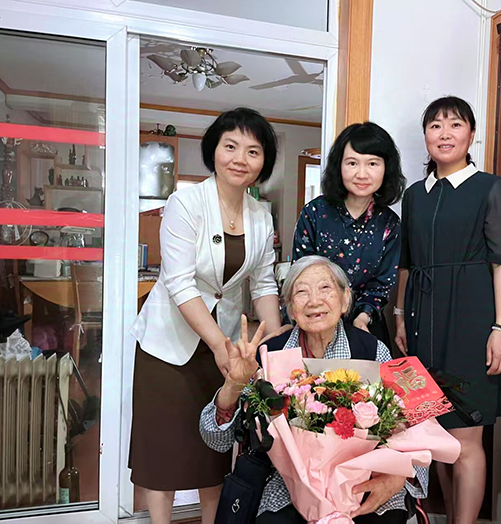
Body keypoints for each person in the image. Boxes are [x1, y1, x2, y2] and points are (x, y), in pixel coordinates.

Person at [129, 108, 283, 524]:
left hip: (225, 346)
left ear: (264, 162)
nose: (240, 159)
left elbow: (263, 284)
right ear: (213, 150)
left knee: (213, 450)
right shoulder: (185, 202)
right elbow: (179, 282)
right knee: (163, 450)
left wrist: (273, 343)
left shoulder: (260, 215)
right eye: (230, 146)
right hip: (169, 344)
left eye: (253, 151)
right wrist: (218, 344)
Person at [200, 256, 428, 524]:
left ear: (345, 300)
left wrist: (397, 476)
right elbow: (217, 440)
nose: (314, 300)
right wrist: (233, 384)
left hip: (365, 478)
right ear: (290, 308)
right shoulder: (269, 355)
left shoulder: (373, 349)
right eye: (301, 292)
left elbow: (419, 424)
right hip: (289, 482)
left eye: (325, 288)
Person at [393, 96, 501, 524]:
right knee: (434, 436)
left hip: (471, 323)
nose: (444, 134)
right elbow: (406, 264)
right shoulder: (414, 195)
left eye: (455, 124)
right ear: (425, 136)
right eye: (435, 126)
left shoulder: (490, 188)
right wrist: (399, 316)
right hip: (421, 325)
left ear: (472, 134)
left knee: (465, 442)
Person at [292, 122, 405, 346]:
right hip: (315, 323)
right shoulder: (315, 213)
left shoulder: (390, 224)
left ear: (386, 168)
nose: (362, 174)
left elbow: (381, 286)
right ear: (339, 166)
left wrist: (362, 317)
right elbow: (300, 275)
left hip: (364, 326)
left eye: (372, 163)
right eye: (352, 163)